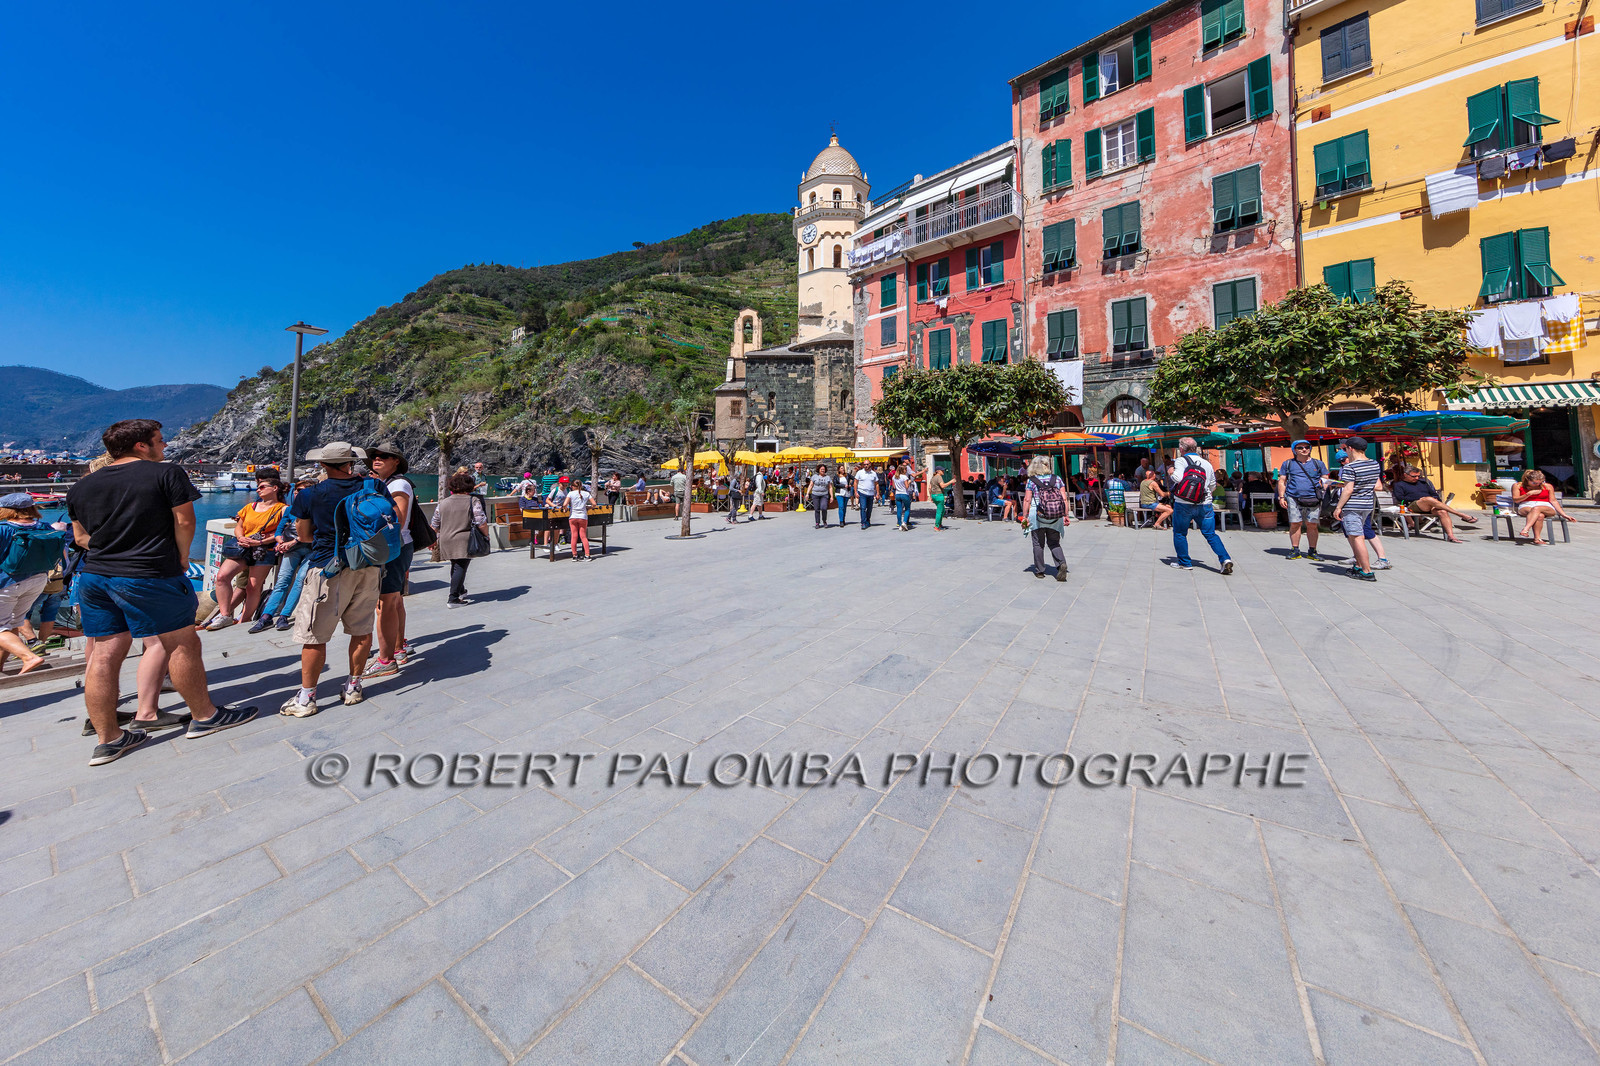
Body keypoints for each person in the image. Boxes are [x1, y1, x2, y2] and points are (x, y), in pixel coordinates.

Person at [66, 420, 257, 764]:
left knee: (105, 654)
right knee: (181, 642)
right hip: (149, 573)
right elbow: (185, 522)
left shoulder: (82, 486)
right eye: (159, 439)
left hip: (95, 577)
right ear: (141, 445)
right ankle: (205, 716)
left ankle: (109, 740)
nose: (165, 444)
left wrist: (113, 547)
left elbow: (81, 538)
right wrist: (181, 557)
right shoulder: (166, 473)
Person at [279, 441, 393, 717]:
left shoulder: (310, 495)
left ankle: (306, 699)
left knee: (315, 636)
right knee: (362, 630)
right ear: (350, 463)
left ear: (322, 464)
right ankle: (353, 686)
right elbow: (393, 518)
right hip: (367, 565)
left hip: (327, 567)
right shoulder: (373, 486)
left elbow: (304, 536)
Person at [362, 443, 417, 681]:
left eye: (385, 456)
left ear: (396, 461)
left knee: (385, 604)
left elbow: (399, 520)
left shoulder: (398, 485)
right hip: (394, 548)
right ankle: (398, 647)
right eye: (375, 456)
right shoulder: (386, 484)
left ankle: (386, 660)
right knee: (393, 601)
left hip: (392, 549)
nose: (377, 459)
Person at [208, 476, 286, 630]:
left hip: (264, 550)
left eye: (262, 486)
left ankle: (244, 619)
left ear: (275, 488)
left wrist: (260, 542)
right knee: (222, 577)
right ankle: (225, 615)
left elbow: (282, 532)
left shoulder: (282, 509)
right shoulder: (250, 506)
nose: (258, 489)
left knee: (252, 587)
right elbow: (239, 526)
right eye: (258, 487)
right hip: (243, 548)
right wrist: (240, 537)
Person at [0, 493, 58, 676]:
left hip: (8, 583)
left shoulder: (3, 528)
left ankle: (29, 656)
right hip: (37, 581)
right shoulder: (43, 526)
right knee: (12, 625)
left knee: (1, 628)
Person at [252, 474, 318, 633]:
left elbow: (316, 535)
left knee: (300, 580)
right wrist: (280, 542)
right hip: (291, 549)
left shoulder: (317, 510)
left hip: (310, 549)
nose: (296, 493)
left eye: (301, 490)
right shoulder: (290, 509)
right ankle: (266, 616)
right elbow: (279, 530)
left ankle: (284, 616)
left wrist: (291, 542)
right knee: (282, 581)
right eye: (296, 490)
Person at [1167, 437, 1234, 575]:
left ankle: (1185, 562)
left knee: (1180, 533)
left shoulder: (1181, 461)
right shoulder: (1207, 463)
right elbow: (1213, 485)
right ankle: (1225, 559)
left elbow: (1178, 478)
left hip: (1184, 503)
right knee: (1210, 534)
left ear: (1181, 449)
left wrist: (1171, 473)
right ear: (1195, 448)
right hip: (1204, 503)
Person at [1331, 436, 1383, 581]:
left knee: (1357, 537)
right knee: (1358, 535)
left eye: (1345, 448)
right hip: (1367, 505)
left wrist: (1338, 507)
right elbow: (1373, 484)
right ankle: (1359, 566)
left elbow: (1348, 489)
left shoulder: (1350, 467)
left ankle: (1366, 571)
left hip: (1352, 505)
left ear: (1351, 448)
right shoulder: (1374, 464)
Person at [434, 470, 490, 602]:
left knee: (455, 564)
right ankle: (453, 598)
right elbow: (481, 521)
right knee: (460, 566)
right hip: (463, 539)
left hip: (445, 539)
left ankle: (461, 590)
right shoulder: (473, 500)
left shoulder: (444, 502)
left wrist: (433, 539)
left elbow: (435, 523)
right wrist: (486, 536)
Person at [1390, 464, 1477, 543]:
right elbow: (1400, 498)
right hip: (1412, 505)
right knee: (1428, 499)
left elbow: (1435, 495)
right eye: (1414, 476)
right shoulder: (1399, 485)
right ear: (1405, 475)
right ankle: (1460, 514)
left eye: (1418, 476)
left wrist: (1432, 499)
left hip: (1430, 505)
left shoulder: (1422, 483)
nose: (1417, 478)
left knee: (1442, 511)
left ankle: (1451, 536)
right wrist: (1422, 499)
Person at [1277, 440, 1329, 561]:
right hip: (1293, 497)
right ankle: (1295, 549)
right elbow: (1282, 481)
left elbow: (1325, 479)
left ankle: (1312, 550)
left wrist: (1324, 487)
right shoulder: (1288, 464)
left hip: (1314, 498)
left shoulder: (1318, 464)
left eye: (1307, 447)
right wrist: (1281, 497)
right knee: (1295, 523)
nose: (1304, 449)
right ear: (1295, 450)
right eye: (1300, 448)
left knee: (1312, 524)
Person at [1021, 456, 1070, 581]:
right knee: (1054, 542)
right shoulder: (1057, 479)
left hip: (1037, 514)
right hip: (1055, 514)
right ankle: (1061, 564)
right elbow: (1064, 498)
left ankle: (1040, 571)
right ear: (1047, 466)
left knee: (1038, 543)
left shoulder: (1031, 480)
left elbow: (1027, 499)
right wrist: (1066, 515)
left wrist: (1024, 516)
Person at [1511, 469, 1572, 545]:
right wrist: (1528, 494)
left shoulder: (1547, 486)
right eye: (1534, 483)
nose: (1537, 485)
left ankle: (1526, 529)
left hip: (1545, 505)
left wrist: (1563, 514)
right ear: (1527, 480)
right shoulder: (1518, 486)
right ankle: (1537, 538)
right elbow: (1516, 500)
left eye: (1540, 483)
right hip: (1526, 504)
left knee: (1536, 508)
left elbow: (1553, 501)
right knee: (1540, 515)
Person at [565, 475, 596, 559]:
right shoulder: (586, 493)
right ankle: (587, 555)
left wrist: (565, 508)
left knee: (574, 536)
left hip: (573, 516)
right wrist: (589, 507)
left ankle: (574, 555)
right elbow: (594, 504)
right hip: (583, 516)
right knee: (583, 536)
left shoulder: (570, 493)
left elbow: (565, 504)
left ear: (572, 486)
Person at [854, 463, 879, 529]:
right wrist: (855, 492)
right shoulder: (860, 472)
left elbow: (876, 484)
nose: (866, 466)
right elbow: (855, 482)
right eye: (864, 464)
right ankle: (863, 522)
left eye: (867, 464)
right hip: (862, 492)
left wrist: (878, 493)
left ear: (870, 465)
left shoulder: (873, 473)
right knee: (863, 507)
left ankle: (868, 520)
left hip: (870, 493)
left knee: (869, 508)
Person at [893, 463, 915, 530]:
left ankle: (899, 524)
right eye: (905, 469)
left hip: (897, 494)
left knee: (899, 510)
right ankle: (904, 522)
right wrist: (909, 482)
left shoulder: (894, 477)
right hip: (904, 494)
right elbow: (907, 487)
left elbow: (894, 487)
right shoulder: (904, 477)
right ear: (903, 470)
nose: (906, 471)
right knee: (907, 509)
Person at [929, 466, 951, 531]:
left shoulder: (933, 478)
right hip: (939, 495)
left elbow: (929, 488)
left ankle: (940, 524)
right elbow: (943, 486)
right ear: (938, 471)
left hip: (934, 495)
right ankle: (937, 526)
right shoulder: (939, 477)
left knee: (942, 510)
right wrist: (951, 482)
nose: (943, 471)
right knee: (939, 511)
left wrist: (931, 496)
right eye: (942, 470)